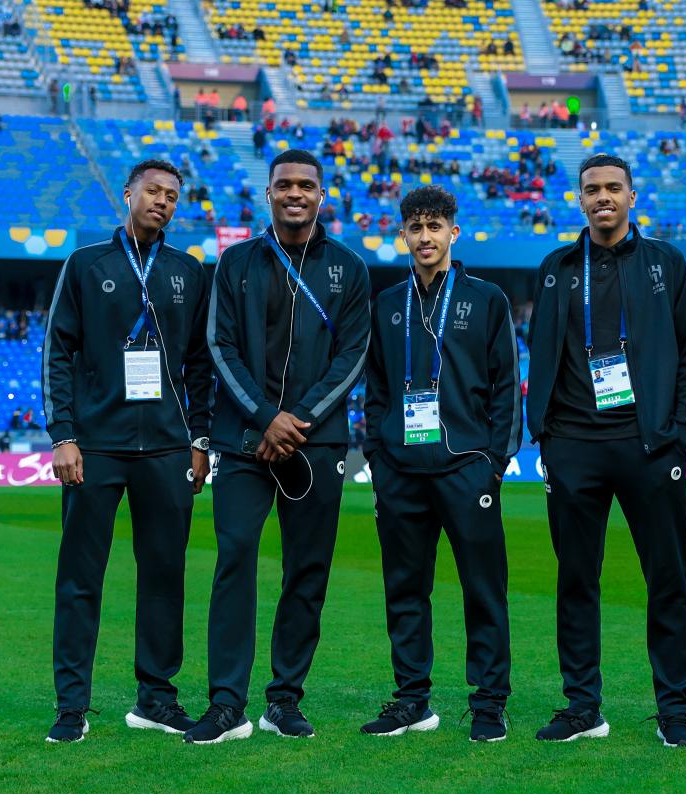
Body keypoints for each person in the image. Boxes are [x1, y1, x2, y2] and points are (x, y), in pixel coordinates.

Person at [188, 149, 371, 743]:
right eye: (284, 184)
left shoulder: (349, 267)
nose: (296, 193)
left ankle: (285, 699)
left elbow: (354, 354)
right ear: (268, 194)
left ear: (323, 195)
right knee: (235, 558)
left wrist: (300, 419)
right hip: (243, 441)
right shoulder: (235, 262)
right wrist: (268, 418)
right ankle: (225, 704)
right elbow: (219, 346)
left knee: (307, 571)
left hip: (317, 445)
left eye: (307, 185)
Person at [526, 153, 686, 744]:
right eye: (591, 189)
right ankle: (582, 706)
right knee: (576, 579)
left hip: (649, 444)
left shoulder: (666, 263)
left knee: (667, 578)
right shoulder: (555, 269)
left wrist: (679, 430)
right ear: (579, 199)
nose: (602, 197)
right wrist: (545, 433)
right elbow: (542, 353)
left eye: (613, 188)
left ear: (632, 196)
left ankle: (674, 706)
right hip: (574, 445)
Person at [42, 159, 215, 744]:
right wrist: (63, 434)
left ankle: (158, 699)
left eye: (172, 195)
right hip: (95, 448)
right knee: (80, 579)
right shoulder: (87, 264)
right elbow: (58, 351)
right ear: (128, 194)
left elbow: (200, 364)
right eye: (153, 192)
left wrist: (199, 437)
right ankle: (72, 706)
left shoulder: (188, 271)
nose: (163, 202)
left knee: (165, 576)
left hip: (167, 449)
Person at [359, 186, 521, 741]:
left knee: (483, 588)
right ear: (402, 234)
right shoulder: (386, 305)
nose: (424, 237)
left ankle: (489, 701)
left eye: (435, 226)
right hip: (401, 471)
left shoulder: (487, 299)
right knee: (404, 588)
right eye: (415, 226)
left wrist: (493, 462)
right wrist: (380, 459)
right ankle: (411, 700)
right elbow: (375, 391)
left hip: (466, 468)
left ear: (453, 232)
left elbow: (506, 389)